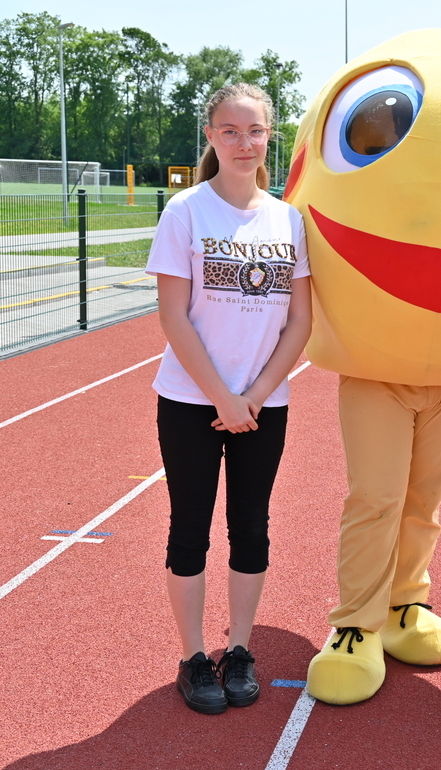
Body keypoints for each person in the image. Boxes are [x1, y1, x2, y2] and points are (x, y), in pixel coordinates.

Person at [146, 83, 312, 714]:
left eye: (256, 131)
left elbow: (301, 320)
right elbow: (174, 316)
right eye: (231, 131)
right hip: (191, 401)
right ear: (210, 137)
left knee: (251, 528)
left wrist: (256, 395)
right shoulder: (186, 211)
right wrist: (223, 396)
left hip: (263, 405)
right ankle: (193, 657)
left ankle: (238, 649)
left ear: (270, 136)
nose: (244, 144)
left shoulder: (287, 218)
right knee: (189, 530)